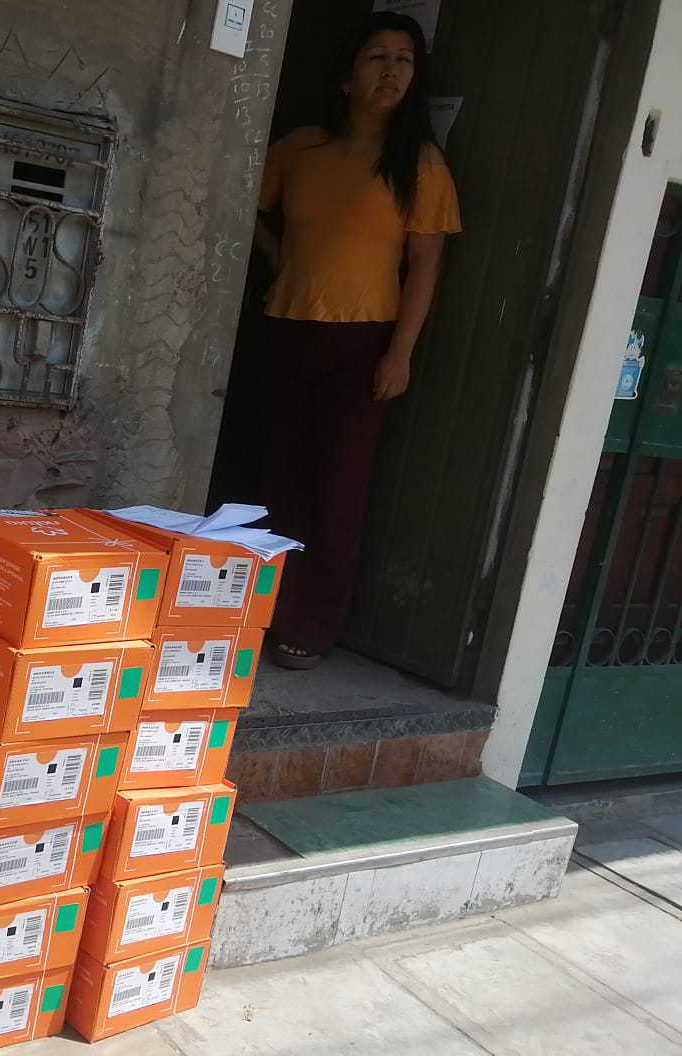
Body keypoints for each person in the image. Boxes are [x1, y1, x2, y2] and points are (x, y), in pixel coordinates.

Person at [253, 11, 461, 670]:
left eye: (404, 59)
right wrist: (282, 261)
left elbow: (425, 266)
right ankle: (256, 612)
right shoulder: (300, 150)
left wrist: (400, 352)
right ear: (347, 77)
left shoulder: (419, 165)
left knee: (337, 489)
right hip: (286, 328)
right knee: (273, 478)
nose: (391, 71)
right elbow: (245, 207)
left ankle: (311, 626)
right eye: (377, 57)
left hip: (364, 345)